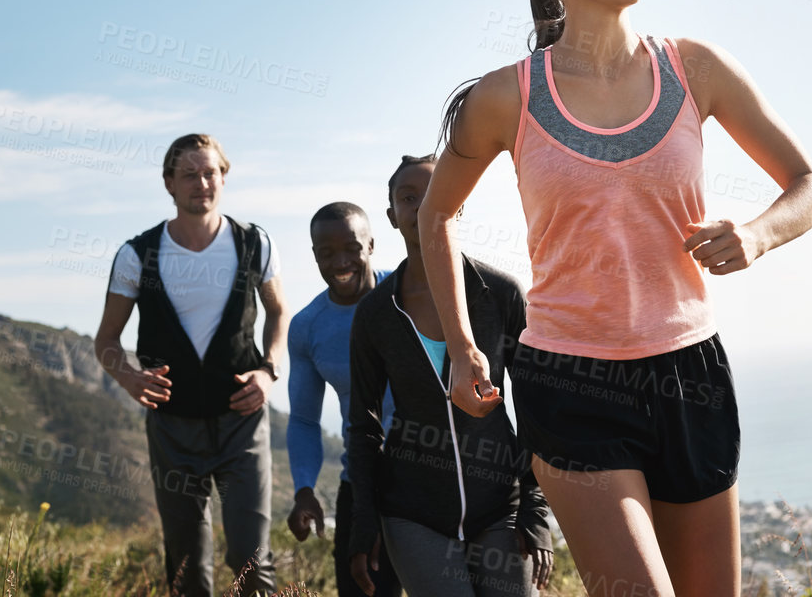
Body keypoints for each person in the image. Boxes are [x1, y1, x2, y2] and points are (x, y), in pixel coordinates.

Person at [419, 0, 812, 597]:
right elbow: (436, 215)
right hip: (568, 380)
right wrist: (459, 346)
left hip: (689, 374)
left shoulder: (694, 68)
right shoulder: (502, 97)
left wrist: (759, 234)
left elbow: (810, 186)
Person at [346, 154, 555, 596]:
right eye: (408, 198)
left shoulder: (500, 295)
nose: (422, 208)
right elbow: (363, 424)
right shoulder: (375, 314)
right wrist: (365, 523)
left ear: (457, 204)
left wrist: (534, 509)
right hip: (412, 514)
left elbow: (539, 407)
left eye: (435, 195)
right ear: (391, 216)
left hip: (499, 506)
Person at [93, 133, 285, 597]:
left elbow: (279, 313)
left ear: (224, 176)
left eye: (210, 172)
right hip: (172, 428)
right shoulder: (136, 255)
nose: (202, 182)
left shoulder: (254, 244)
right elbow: (106, 341)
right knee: (186, 566)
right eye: (188, 175)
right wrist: (128, 377)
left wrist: (269, 370)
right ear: (169, 184)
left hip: (242, 422)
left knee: (250, 560)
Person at [285, 202, 402, 597]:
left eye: (352, 247)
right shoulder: (307, 327)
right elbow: (303, 420)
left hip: (431, 477)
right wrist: (304, 488)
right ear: (314, 255)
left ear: (371, 244)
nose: (340, 261)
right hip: (362, 484)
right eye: (326, 252)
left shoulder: (411, 296)